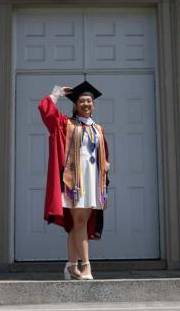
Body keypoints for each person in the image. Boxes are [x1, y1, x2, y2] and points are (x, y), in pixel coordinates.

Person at [38, 81, 110, 280]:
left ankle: (71, 266)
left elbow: (100, 151)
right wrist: (56, 94)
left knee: (79, 223)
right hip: (74, 181)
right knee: (80, 222)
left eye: (89, 101)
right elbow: (47, 113)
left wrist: (106, 163)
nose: (86, 104)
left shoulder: (98, 128)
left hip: (92, 180)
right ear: (75, 105)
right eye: (82, 101)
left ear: (93, 105)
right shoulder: (66, 124)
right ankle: (86, 266)